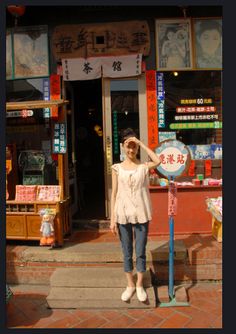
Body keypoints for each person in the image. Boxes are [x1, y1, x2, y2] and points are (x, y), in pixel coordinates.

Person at [110, 128, 161, 302]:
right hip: (122, 214)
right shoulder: (117, 168)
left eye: (134, 147)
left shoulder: (143, 167)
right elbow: (114, 193)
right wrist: (112, 219)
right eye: (128, 146)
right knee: (126, 251)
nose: (131, 150)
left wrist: (140, 143)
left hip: (141, 213)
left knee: (140, 251)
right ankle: (130, 285)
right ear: (123, 147)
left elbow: (158, 160)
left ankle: (139, 285)